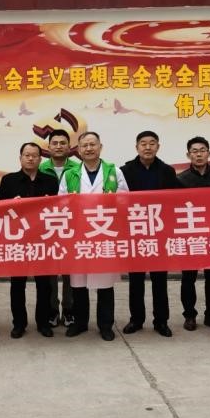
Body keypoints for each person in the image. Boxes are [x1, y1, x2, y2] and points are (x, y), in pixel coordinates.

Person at [58, 131, 128, 341]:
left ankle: (105, 325)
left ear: (100, 147)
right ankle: (80, 323)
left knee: (104, 284)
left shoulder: (113, 171)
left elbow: (125, 199)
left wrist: (111, 201)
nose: (88, 148)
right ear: (78, 150)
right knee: (78, 284)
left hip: (104, 234)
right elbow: (61, 203)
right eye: (84, 145)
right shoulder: (69, 174)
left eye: (92, 144)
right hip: (78, 236)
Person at [120, 130, 180, 338]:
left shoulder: (167, 171)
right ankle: (136, 319)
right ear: (137, 147)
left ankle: (161, 321)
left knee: (159, 280)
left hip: (159, 233)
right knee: (135, 280)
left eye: (152, 143)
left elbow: (175, 200)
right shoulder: (125, 171)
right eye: (143, 143)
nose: (147, 147)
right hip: (135, 232)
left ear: (158, 146)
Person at [0, 142, 60, 338]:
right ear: (20, 158)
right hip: (18, 241)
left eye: (34, 155)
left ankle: (43, 322)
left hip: (43, 240)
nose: (30, 158)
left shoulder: (50, 181)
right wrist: (11, 204)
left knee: (44, 285)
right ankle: (19, 323)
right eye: (27, 155)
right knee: (17, 284)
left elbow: (59, 209)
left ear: (40, 159)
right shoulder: (9, 181)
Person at [177, 137, 210, 332]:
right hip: (190, 235)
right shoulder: (181, 179)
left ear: (209, 153)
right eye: (194, 151)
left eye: (202, 150)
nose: (198, 154)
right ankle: (189, 315)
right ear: (188, 155)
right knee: (188, 278)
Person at [38, 128, 80, 328]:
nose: (58, 146)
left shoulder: (78, 168)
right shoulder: (40, 168)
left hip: (72, 226)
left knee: (70, 271)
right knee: (50, 272)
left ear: (69, 147)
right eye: (54, 143)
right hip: (47, 227)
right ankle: (53, 311)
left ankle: (69, 310)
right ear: (48, 146)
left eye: (63, 143)